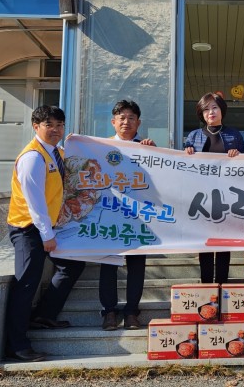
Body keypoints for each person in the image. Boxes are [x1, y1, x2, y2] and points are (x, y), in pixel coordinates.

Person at [5, 106, 86, 362]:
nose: (55, 130)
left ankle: (44, 315)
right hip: (28, 228)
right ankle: (16, 346)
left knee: (72, 265)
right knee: (26, 284)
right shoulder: (33, 158)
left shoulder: (56, 153)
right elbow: (35, 202)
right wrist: (46, 235)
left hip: (48, 226)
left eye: (59, 125)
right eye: (49, 125)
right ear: (36, 126)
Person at [100, 100, 156, 331]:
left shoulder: (147, 148)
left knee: (137, 266)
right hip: (110, 215)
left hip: (138, 217)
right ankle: (109, 312)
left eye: (131, 118)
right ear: (113, 122)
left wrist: (154, 152)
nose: (126, 122)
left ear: (138, 123)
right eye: (122, 118)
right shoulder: (100, 147)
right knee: (108, 265)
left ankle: (132, 311)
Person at [185, 92, 244, 283]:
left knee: (223, 243)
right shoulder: (193, 136)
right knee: (205, 243)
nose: (210, 112)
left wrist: (238, 156)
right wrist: (186, 153)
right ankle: (206, 286)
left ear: (222, 110)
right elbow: (184, 169)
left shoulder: (234, 134)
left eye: (214, 107)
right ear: (201, 113)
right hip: (202, 198)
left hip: (226, 198)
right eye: (206, 109)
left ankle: (222, 285)